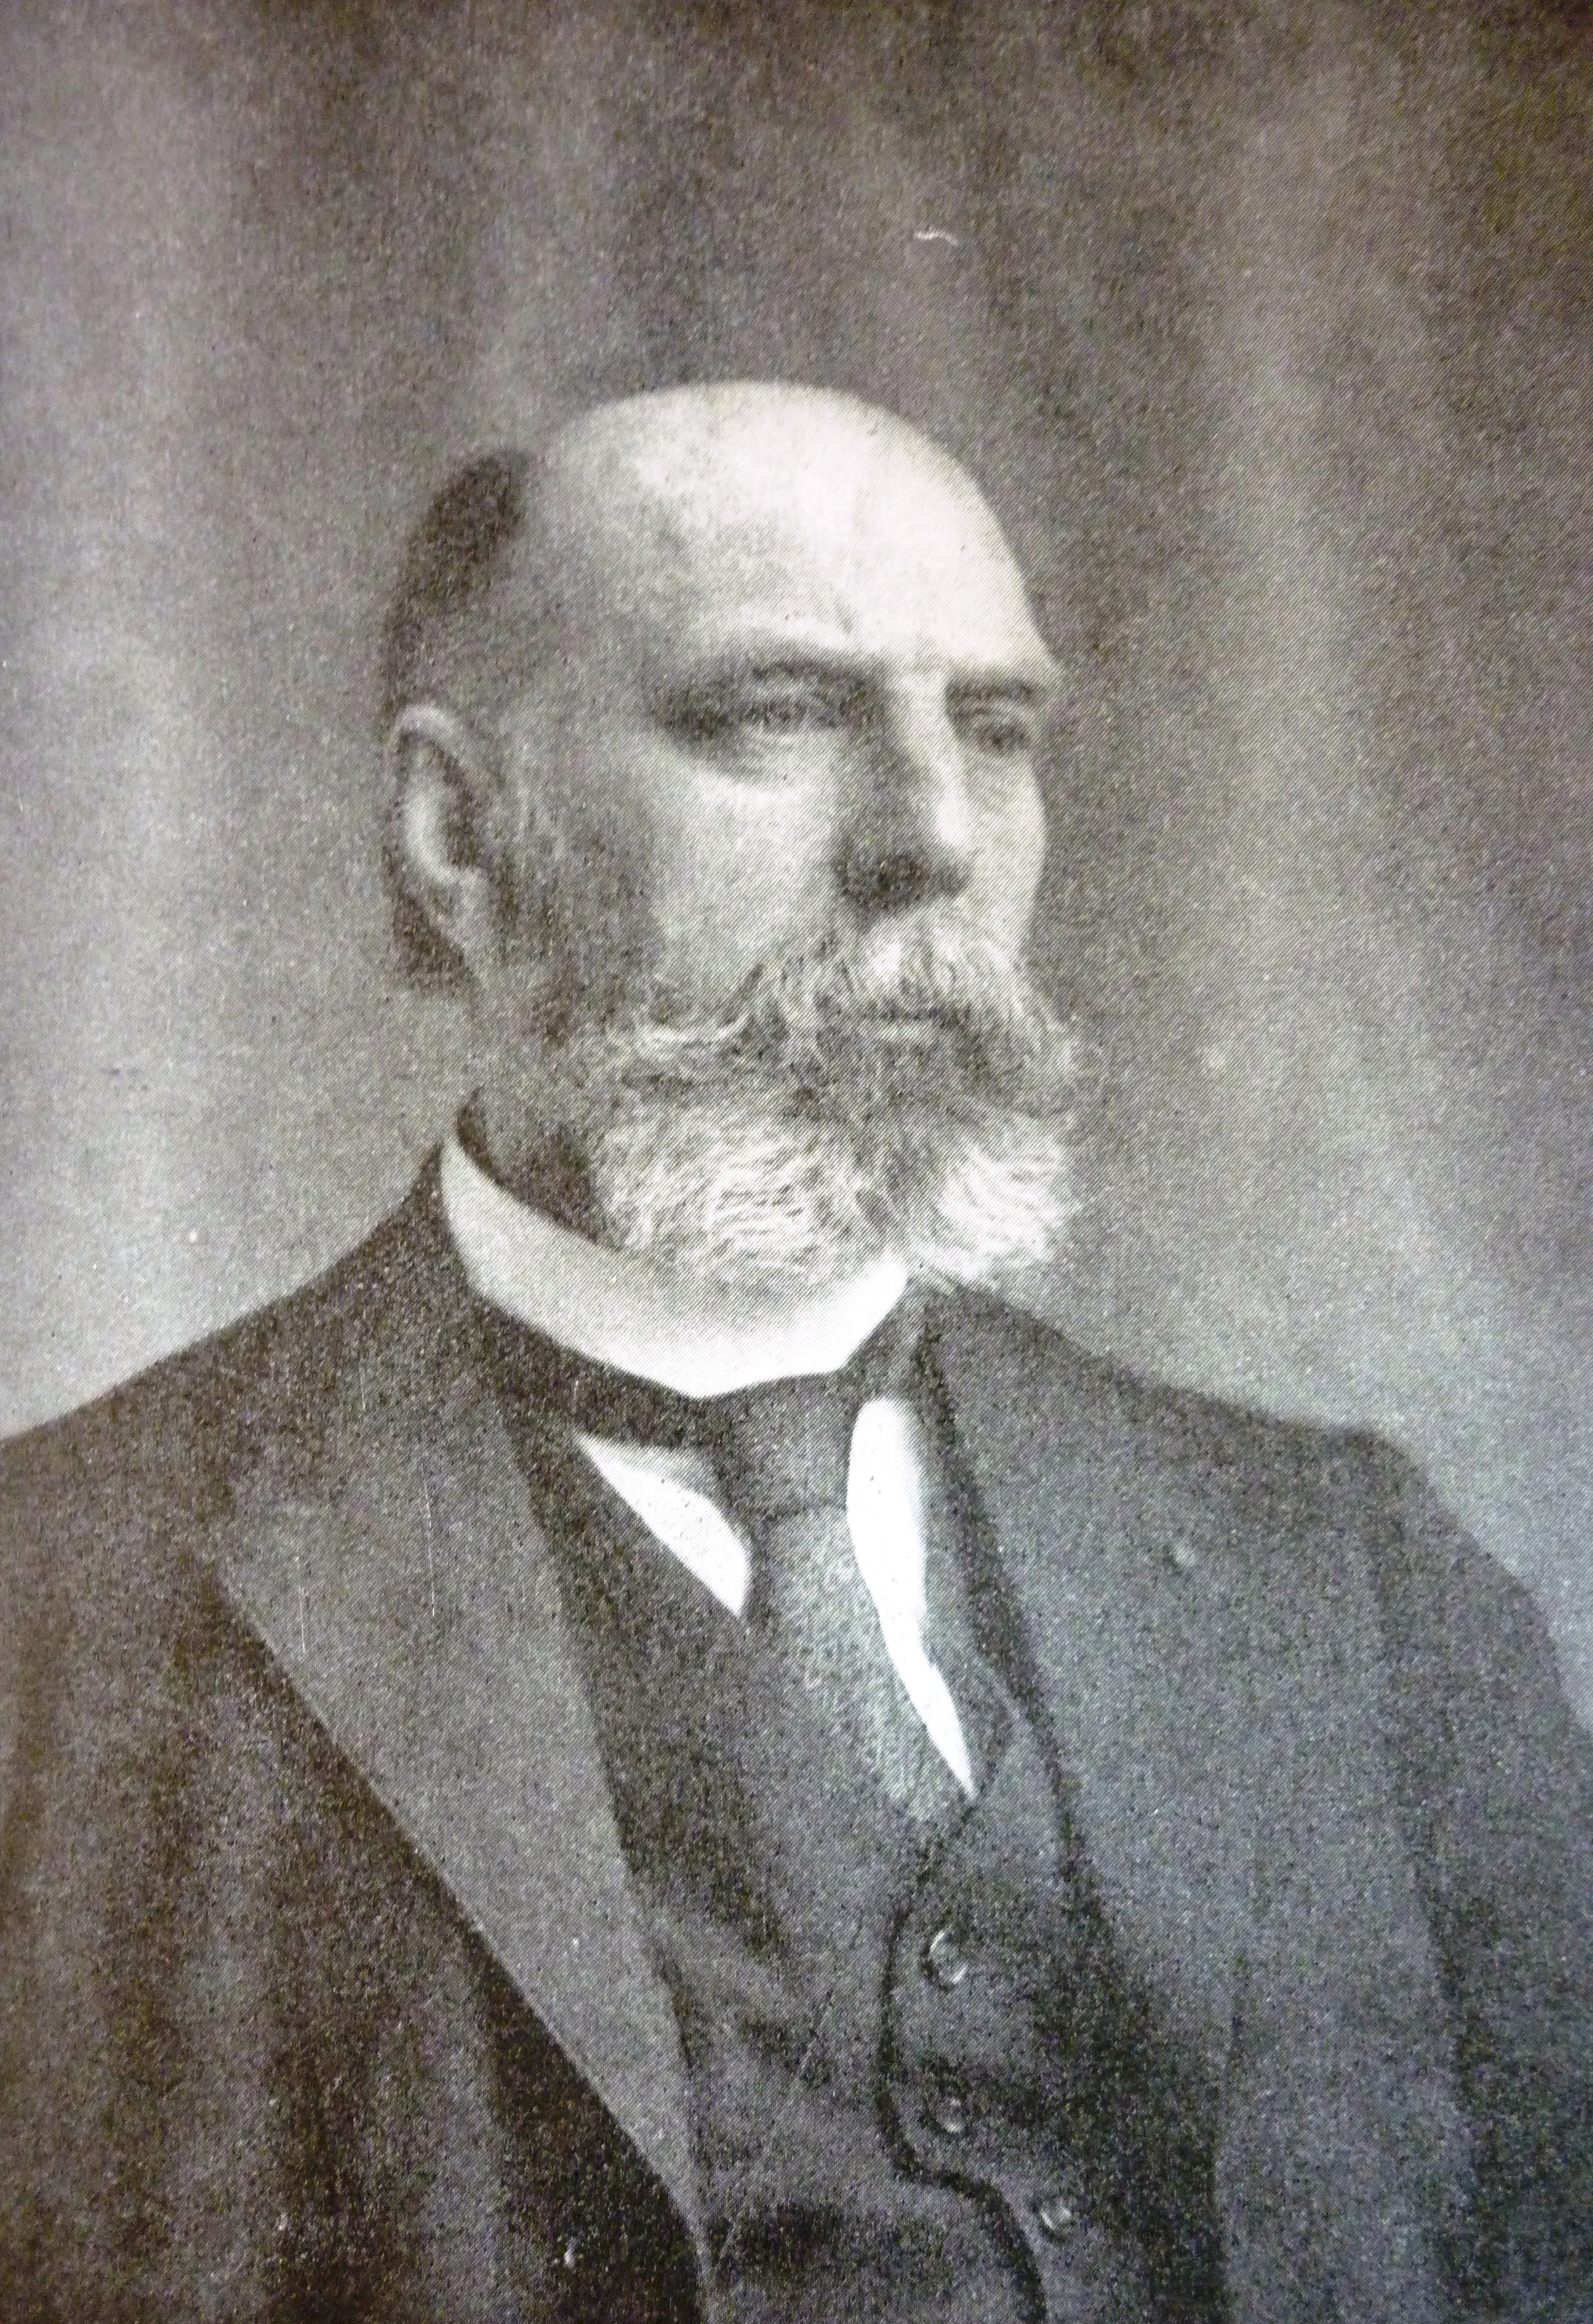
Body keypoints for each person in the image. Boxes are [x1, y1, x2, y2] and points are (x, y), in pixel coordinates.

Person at [1, 382, 1589, 2324]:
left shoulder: (1353, 1582)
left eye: (993, 729)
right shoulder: (52, 1618)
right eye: (776, 713)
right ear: (457, 831)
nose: (932, 835)